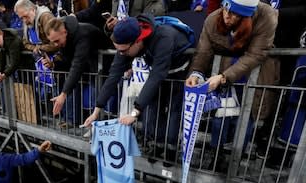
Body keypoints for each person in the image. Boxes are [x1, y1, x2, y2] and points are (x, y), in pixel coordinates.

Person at [83, 15, 192, 163]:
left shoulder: (163, 37)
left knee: (174, 108)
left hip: (179, 70)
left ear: (138, 41)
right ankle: (157, 144)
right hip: (158, 67)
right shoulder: (126, 44)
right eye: (118, 51)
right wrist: (97, 110)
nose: (121, 54)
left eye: (123, 51)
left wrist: (134, 113)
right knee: (155, 104)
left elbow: (156, 76)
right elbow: (113, 76)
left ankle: (171, 148)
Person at [184, 0, 279, 162]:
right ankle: (216, 155)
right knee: (220, 116)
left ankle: (236, 159)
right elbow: (203, 50)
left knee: (246, 117)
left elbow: (256, 54)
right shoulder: (214, 18)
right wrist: (196, 73)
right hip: (223, 69)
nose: (227, 16)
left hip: (252, 74)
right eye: (226, 10)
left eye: (235, 14)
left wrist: (224, 77)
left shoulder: (266, 15)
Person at [43, 17, 109, 124]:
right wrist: (54, 64)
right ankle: (94, 125)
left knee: (100, 98)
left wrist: (63, 94)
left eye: (56, 41)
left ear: (64, 32)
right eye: (52, 42)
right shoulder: (65, 39)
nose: (55, 45)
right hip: (92, 65)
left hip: (106, 66)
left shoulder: (83, 34)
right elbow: (68, 60)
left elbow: (77, 64)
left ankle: (99, 126)